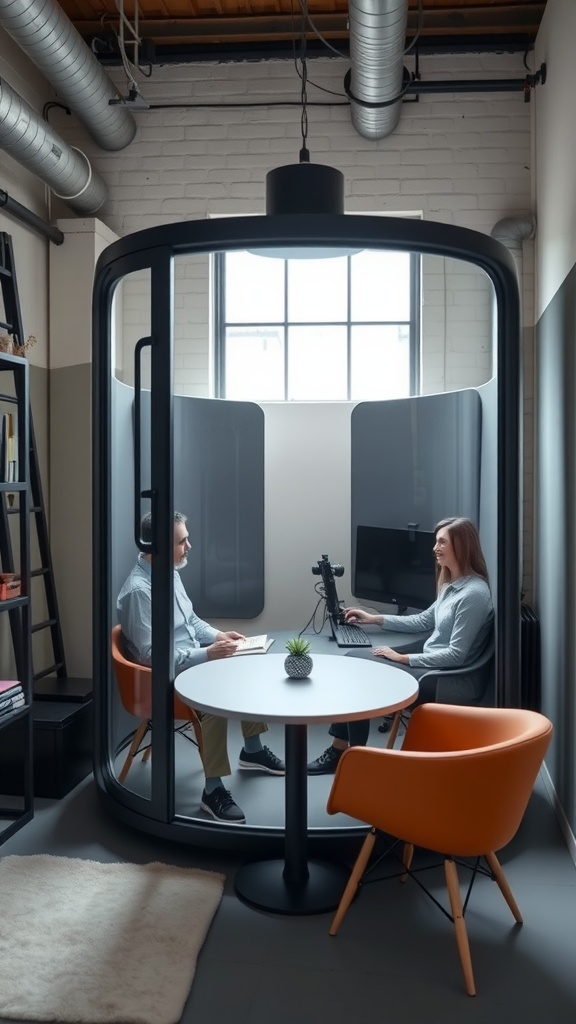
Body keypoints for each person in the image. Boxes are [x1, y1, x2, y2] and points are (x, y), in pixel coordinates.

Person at [117, 511, 285, 823]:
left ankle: (252, 750)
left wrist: (219, 637)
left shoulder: (169, 573)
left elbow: (191, 621)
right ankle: (213, 790)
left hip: (190, 661)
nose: (189, 546)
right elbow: (152, 655)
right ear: (158, 548)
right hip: (162, 678)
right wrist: (207, 654)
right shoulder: (140, 591)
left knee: (244, 664)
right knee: (216, 697)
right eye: (182, 541)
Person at [307, 516, 494, 775]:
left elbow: (457, 654)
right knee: (351, 660)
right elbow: (423, 620)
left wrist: (403, 659)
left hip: (448, 680)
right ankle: (343, 752)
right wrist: (374, 619)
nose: (435, 548)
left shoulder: (474, 594)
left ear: (462, 546)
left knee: (359, 674)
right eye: (436, 542)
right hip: (433, 668)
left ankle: (351, 759)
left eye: (442, 542)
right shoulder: (452, 586)